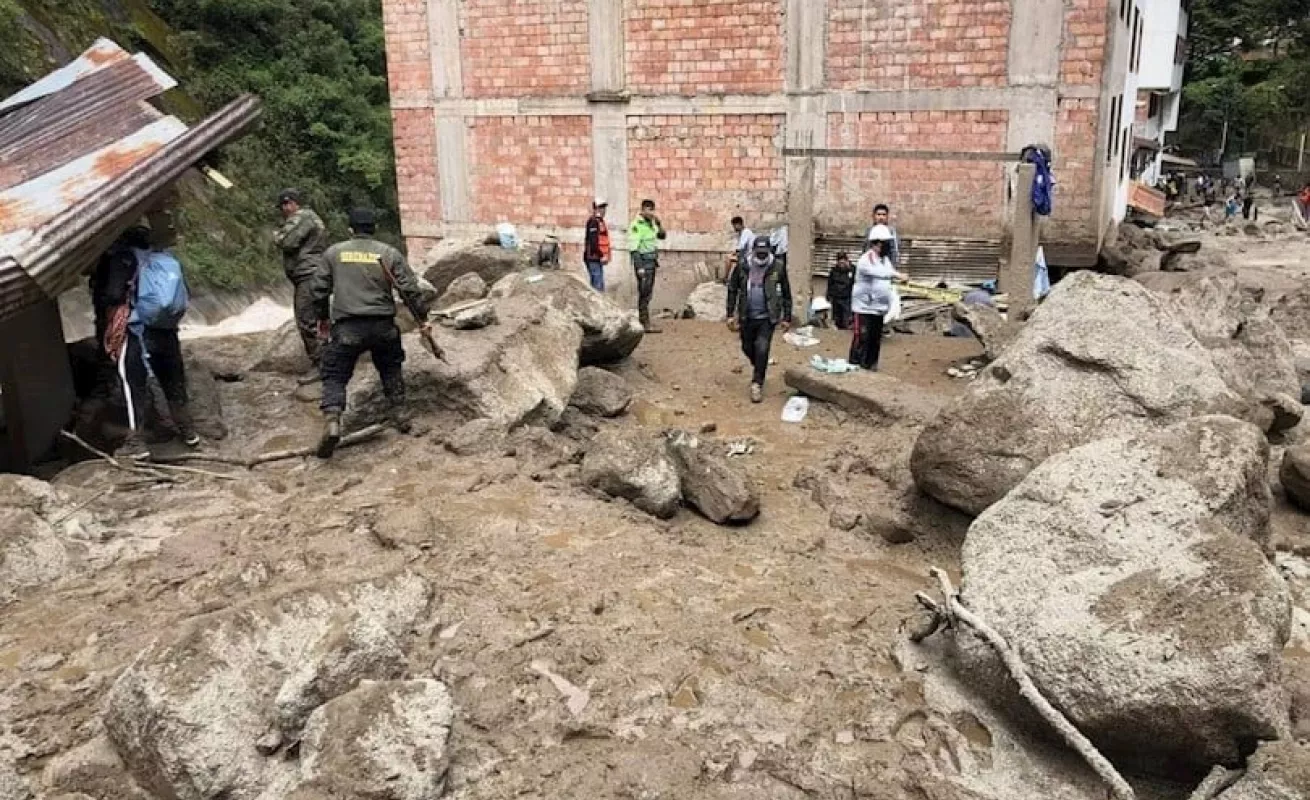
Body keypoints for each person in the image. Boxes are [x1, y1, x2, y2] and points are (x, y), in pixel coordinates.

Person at [311, 208, 430, 458]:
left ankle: (333, 420)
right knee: (390, 367)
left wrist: (322, 319)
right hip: (383, 325)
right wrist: (423, 319)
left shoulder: (334, 253)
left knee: (334, 374)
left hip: (347, 327)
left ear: (350, 229)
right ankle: (399, 413)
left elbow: (318, 291)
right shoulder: (388, 253)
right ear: (374, 228)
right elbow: (409, 290)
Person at [90, 223, 198, 459]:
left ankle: (135, 443)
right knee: (173, 380)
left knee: (132, 386)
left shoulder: (123, 259)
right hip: (166, 331)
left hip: (137, 331)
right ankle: (189, 432)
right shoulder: (164, 259)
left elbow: (114, 294)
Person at [726, 236, 793, 403]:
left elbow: (786, 293)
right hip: (746, 315)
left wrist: (787, 317)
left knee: (762, 348)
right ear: (753, 251)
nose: (762, 257)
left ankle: (757, 383)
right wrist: (729, 314)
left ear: (769, 251)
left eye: (765, 253)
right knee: (747, 347)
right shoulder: (743, 265)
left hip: (767, 317)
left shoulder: (777, 267)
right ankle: (759, 366)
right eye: (759, 253)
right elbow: (733, 289)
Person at [273, 189, 331, 380]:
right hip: (315, 273)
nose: (283, 211)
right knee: (321, 318)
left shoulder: (302, 217)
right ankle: (329, 361)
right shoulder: (311, 217)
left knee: (306, 320)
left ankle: (319, 365)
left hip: (308, 275)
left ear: (290, 203)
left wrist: (276, 235)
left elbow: (287, 241)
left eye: (284, 206)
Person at [850, 225, 907, 371]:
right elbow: (878, 272)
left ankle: (870, 366)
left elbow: (888, 271)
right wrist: (896, 275)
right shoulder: (866, 259)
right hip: (864, 307)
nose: (889, 247)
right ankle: (855, 367)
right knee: (862, 338)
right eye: (887, 243)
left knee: (875, 340)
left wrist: (897, 277)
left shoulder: (884, 260)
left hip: (878, 308)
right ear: (878, 243)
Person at [629, 199, 667, 332]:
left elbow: (662, 236)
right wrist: (639, 267)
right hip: (643, 262)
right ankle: (644, 323)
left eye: (652, 210)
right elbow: (634, 249)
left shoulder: (651, 224)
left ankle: (644, 321)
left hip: (652, 261)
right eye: (648, 210)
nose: (650, 212)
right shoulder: (636, 225)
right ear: (642, 210)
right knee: (644, 292)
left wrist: (659, 223)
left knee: (648, 293)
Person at [582, 198, 612, 292]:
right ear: (596, 209)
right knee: (597, 287)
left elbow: (604, 240)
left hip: (597, 258)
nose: (604, 211)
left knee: (599, 285)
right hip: (593, 258)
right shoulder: (593, 222)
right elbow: (593, 242)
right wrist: (601, 255)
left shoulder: (600, 221)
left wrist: (606, 256)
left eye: (604, 208)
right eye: (601, 208)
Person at [826, 251, 855, 330]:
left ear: (846, 261)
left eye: (843, 261)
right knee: (837, 320)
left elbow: (855, 283)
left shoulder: (852, 270)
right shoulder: (834, 271)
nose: (841, 263)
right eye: (840, 261)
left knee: (846, 321)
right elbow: (830, 283)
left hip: (847, 299)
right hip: (836, 298)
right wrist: (828, 295)